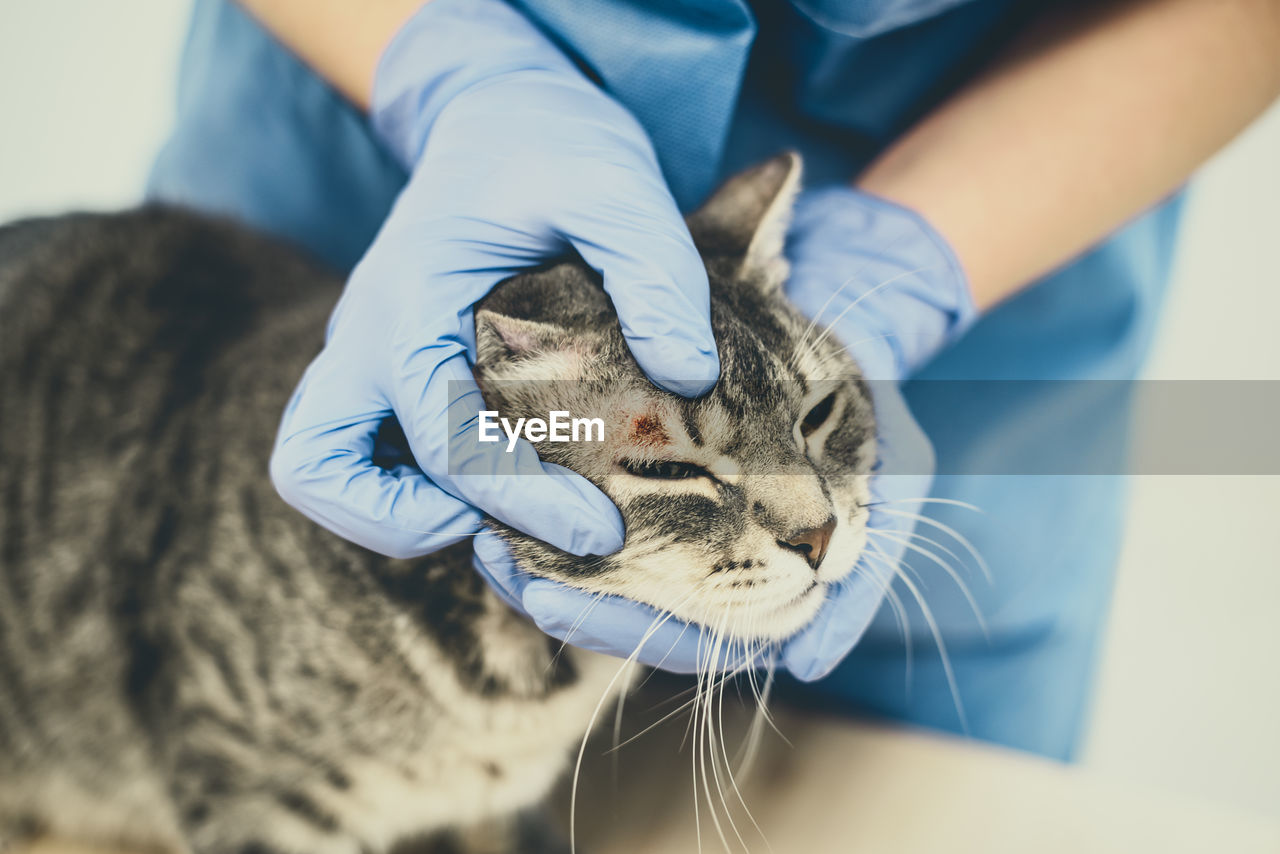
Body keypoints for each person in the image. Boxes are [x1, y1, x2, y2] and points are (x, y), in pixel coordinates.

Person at [149, 0, 1280, 761]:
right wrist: (452, 66)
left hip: (1017, 171)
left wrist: (906, 263)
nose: (808, 522)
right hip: (373, 121)